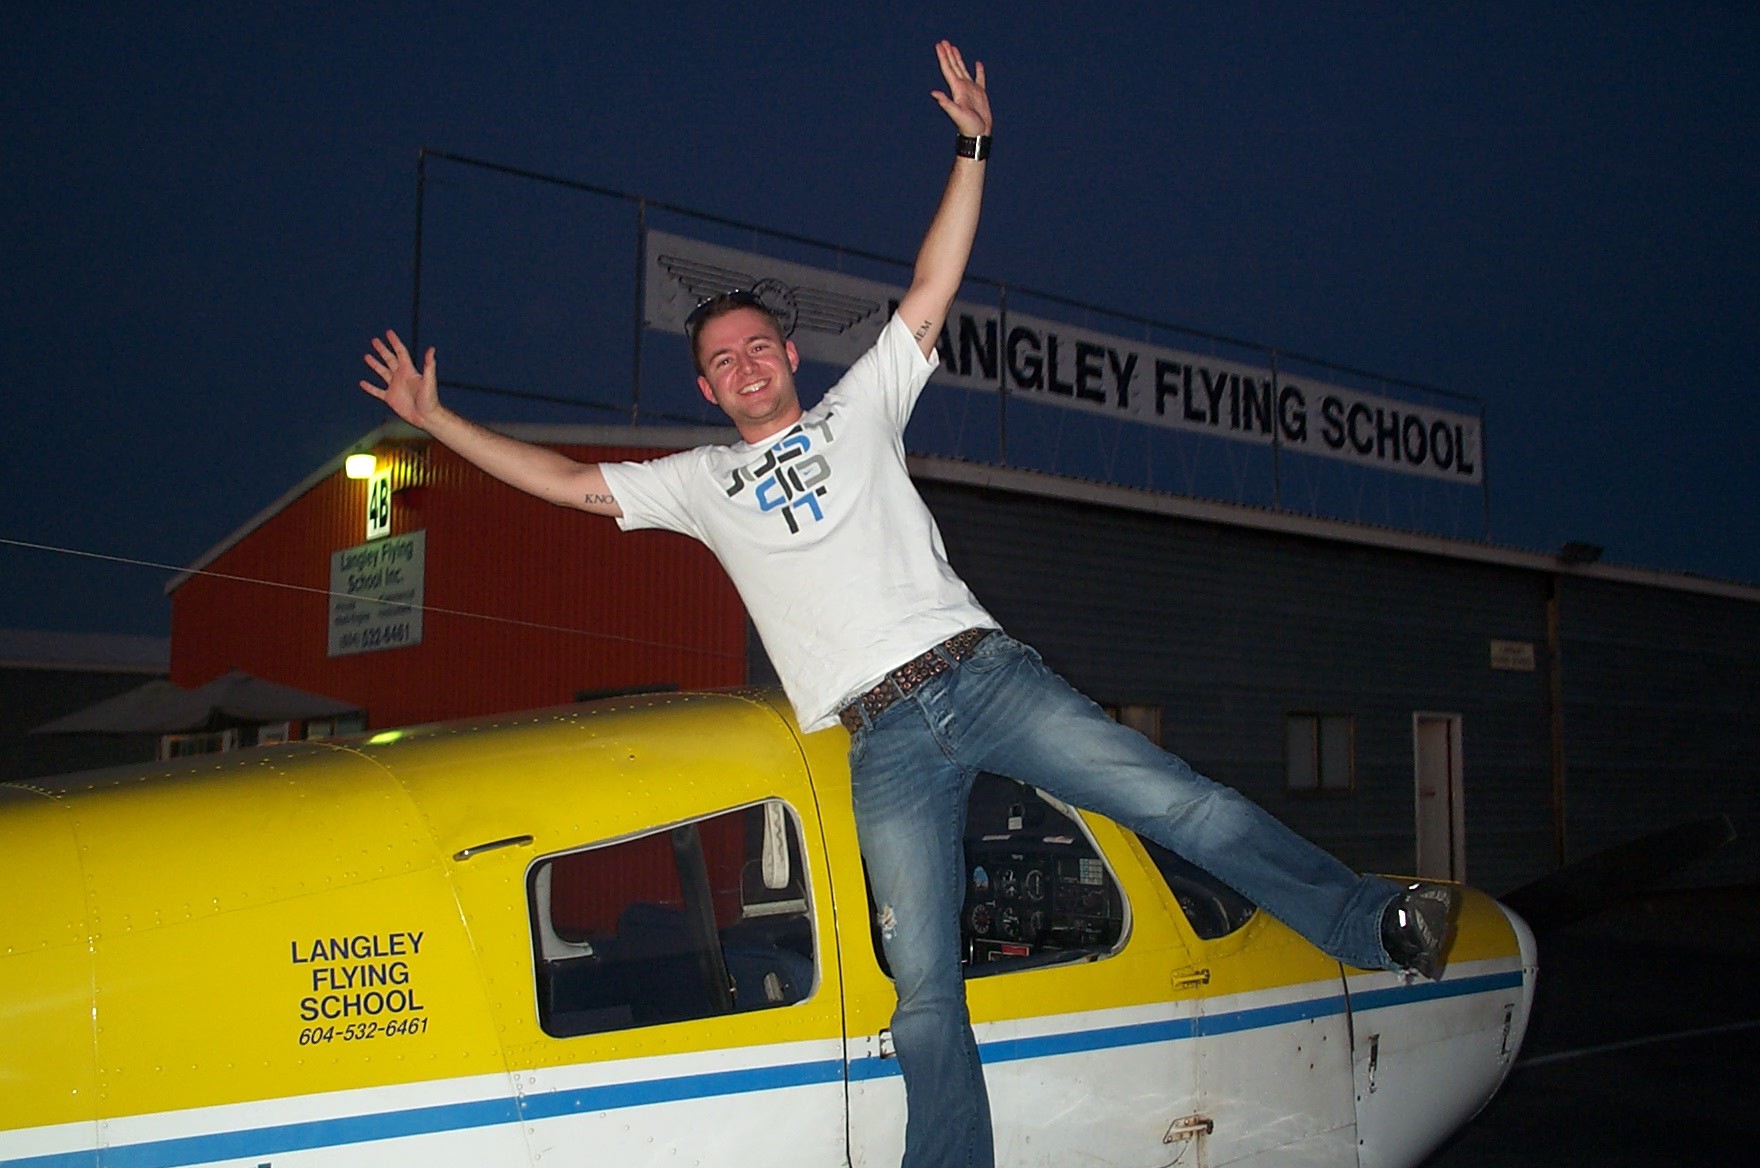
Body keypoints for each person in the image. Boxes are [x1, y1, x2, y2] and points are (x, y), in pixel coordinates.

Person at [362, 40, 1457, 1168]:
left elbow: (931, 284)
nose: (741, 364)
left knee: (1181, 804)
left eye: (754, 345)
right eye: (718, 357)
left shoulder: (858, 408)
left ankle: (1367, 922)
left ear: (789, 353)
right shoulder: (695, 482)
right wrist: (437, 423)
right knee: (924, 989)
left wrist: (973, 145)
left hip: (983, 676)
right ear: (702, 386)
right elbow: (565, 483)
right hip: (882, 739)